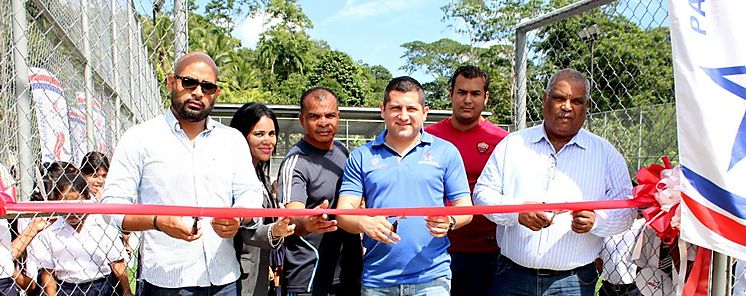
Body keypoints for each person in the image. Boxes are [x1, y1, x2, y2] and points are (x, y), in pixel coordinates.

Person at [101, 51, 264, 295]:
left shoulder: (232, 140)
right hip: (166, 282)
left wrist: (238, 218)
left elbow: (250, 193)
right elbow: (111, 206)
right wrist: (158, 222)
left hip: (224, 279)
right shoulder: (140, 138)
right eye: (189, 82)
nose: (198, 92)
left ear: (216, 94)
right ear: (171, 82)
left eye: (207, 87)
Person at [473, 68, 636, 296]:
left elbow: (627, 211)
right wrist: (517, 213)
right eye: (559, 98)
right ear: (545, 100)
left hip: (573, 282)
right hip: (512, 276)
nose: (567, 107)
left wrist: (597, 221)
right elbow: (482, 193)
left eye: (577, 101)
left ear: (587, 107)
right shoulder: (513, 144)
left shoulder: (606, 155)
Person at [336, 76, 473, 295]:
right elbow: (343, 214)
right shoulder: (361, 156)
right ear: (383, 110)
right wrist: (364, 223)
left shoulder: (446, 152)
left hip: (432, 279)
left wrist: (450, 221)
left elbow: (466, 208)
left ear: (424, 112)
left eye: (411, 108)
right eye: (395, 108)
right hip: (378, 281)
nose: (403, 116)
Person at [424, 65, 509, 295]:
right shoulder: (427, 138)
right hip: (434, 248)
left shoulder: (503, 142)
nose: (468, 100)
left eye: (475, 93)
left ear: (486, 97)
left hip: (486, 252)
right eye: (462, 92)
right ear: (451, 93)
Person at [276, 87, 362, 296]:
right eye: (315, 116)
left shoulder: (344, 151)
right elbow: (292, 217)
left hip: (348, 273)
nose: (324, 122)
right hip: (309, 278)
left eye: (330, 115)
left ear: (338, 116)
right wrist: (308, 222)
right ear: (302, 120)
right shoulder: (295, 162)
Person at [229, 103, 295, 296]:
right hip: (238, 277)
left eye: (272, 133)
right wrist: (275, 231)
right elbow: (242, 230)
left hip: (258, 274)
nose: (268, 141)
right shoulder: (233, 178)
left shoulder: (262, 177)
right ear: (241, 137)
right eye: (259, 134)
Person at [32, 173, 131, 296]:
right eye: (66, 204)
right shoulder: (51, 231)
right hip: (67, 288)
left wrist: (127, 292)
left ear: (87, 198)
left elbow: (117, 262)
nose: (72, 211)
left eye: (77, 204)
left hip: (101, 286)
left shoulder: (101, 224)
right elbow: (48, 273)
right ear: (57, 201)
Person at [599, 217, 645, 296]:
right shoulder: (607, 225)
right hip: (607, 288)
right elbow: (598, 256)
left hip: (633, 289)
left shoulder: (643, 225)